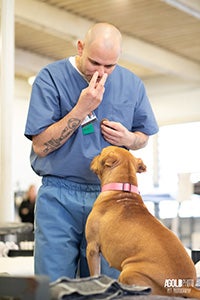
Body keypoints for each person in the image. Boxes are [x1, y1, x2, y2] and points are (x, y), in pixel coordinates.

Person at [24, 22, 159, 282]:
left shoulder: (132, 84)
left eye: (109, 66)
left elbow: (144, 136)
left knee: (107, 285)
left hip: (114, 199)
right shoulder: (50, 78)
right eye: (95, 63)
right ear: (80, 47)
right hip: (59, 196)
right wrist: (81, 109)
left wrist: (129, 138)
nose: (101, 72)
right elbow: (40, 146)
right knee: (52, 283)